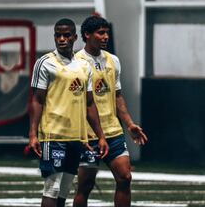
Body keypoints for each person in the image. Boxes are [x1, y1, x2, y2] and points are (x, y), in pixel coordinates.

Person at [28, 18, 109, 207]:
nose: (62, 39)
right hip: (53, 134)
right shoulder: (45, 63)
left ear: (74, 37)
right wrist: (33, 133)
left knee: (64, 189)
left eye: (66, 35)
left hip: (76, 138)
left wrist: (101, 136)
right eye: (58, 35)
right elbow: (37, 100)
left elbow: (90, 103)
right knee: (52, 188)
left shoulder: (84, 66)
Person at [73, 16, 148, 207]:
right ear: (87, 35)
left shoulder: (113, 60)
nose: (106, 36)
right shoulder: (75, 63)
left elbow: (118, 96)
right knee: (85, 186)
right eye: (101, 32)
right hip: (88, 135)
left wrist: (129, 123)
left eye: (107, 32)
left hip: (113, 132)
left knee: (125, 177)